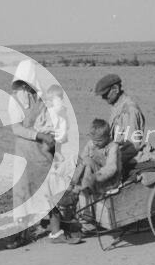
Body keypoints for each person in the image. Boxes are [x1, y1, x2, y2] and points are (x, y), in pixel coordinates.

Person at [6, 61, 64, 248]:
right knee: (23, 193)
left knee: (48, 189)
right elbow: (16, 129)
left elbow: (49, 120)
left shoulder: (40, 99)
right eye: (22, 84)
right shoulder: (14, 101)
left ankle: (56, 231)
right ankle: (21, 235)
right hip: (24, 153)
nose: (25, 87)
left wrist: (51, 137)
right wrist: (38, 135)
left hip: (41, 152)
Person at [70, 118, 121, 230]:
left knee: (88, 161)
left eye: (99, 141)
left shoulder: (113, 147)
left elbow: (111, 168)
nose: (96, 143)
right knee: (86, 162)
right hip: (91, 177)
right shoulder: (91, 144)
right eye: (94, 140)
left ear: (108, 137)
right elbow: (83, 159)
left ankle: (76, 191)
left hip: (108, 180)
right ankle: (75, 186)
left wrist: (95, 177)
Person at [94, 73, 145, 168]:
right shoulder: (117, 107)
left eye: (105, 94)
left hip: (123, 161)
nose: (103, 98)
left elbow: (133, 146)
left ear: (116, 89)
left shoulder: (129, 111)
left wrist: (109, 161)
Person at [34, 84, 69, 162]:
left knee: (44, 150)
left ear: (59, 99)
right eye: (48, 99)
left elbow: (58, 108)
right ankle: (57, 160)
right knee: (55, 151)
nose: (49, 102)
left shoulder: (58, 108)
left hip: (54, 135)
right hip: (58, 136)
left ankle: (53, 163)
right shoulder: (55, 109)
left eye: (51, 99)